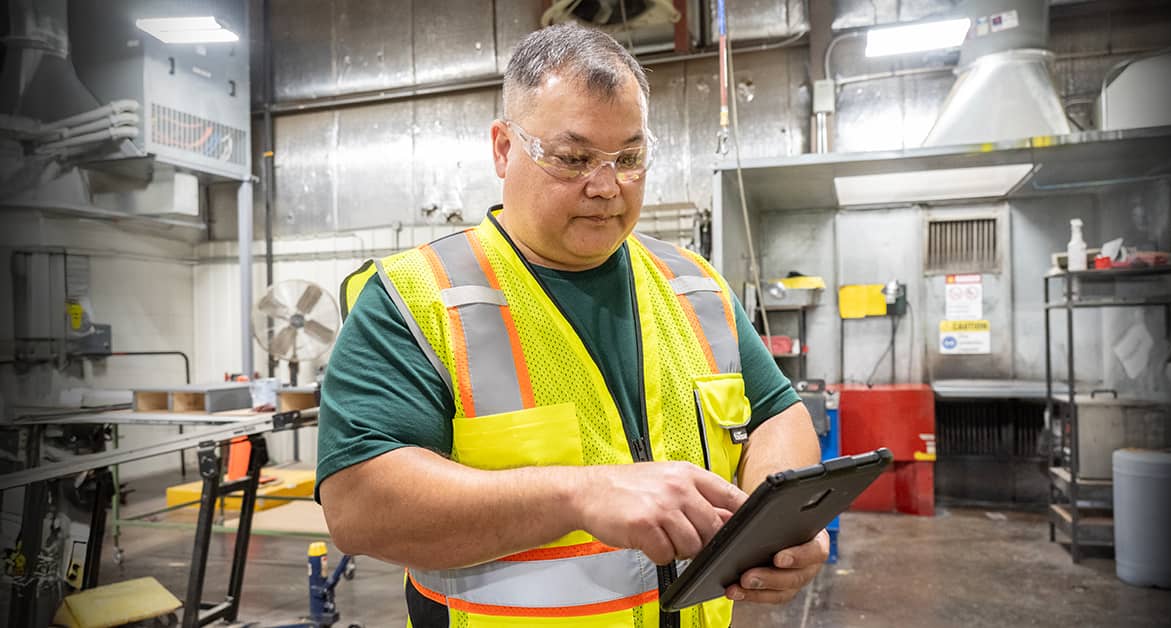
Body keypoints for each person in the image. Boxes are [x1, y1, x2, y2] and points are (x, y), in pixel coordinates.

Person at [317, 22, 826, 628]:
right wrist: (579, 494)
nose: (608, 187)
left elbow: (776, 413)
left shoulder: (694, 284)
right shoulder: (417, 297)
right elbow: (359, 506)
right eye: (573, 158)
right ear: (504, 148)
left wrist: (773, 524)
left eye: (630, 158)